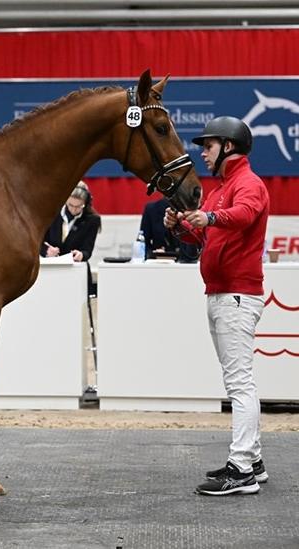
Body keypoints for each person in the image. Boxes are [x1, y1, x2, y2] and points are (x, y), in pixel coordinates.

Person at [164, 116, 270, 496]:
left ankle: (241, 468)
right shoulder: (223, 188)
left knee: (240, 384)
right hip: (224, 293)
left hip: (235, 295)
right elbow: (203, 235)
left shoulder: (248, 185)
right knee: (238, 381)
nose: (202, 153)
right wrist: (181, 225)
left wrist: (206, 216)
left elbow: (240, 218)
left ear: (228, 146)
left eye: (208, 147)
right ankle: (252, 461)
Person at [41, 181, 101, 294]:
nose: (74, 210)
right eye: (70, 205)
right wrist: (46, 250)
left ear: (85, 203)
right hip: (51, 269)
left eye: (78, 206)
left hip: (75, 270)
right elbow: (37, 240)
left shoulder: (92, 220)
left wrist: (81, 254)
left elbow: (87, 250)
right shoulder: (52, 211)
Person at [140, 197, 199, 263]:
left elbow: (198, 242)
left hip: (186, 262)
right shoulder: (152, 209)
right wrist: (153, 254)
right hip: (159, 263)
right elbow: (143, 242)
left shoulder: (192, 209)